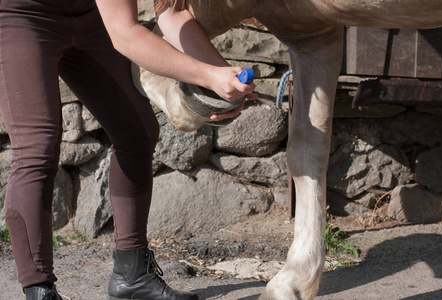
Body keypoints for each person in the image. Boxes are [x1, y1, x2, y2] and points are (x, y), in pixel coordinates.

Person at [0, 0, 256, 299]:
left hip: (90, 16)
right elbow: (125, 34)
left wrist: (224, 77)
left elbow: (171, 12)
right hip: (20, 15)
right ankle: (39, 289)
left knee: (137, 132)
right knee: (38, 147)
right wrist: (208, 77)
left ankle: (132, 276)